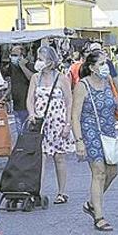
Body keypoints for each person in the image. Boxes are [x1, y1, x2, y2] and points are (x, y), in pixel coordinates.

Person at [72, 51, 118, 232]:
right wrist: (79, 141)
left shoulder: (107, 82)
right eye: (101, 63)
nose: (105, 66)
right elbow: (75, 116)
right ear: (92, 68)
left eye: (106, 63)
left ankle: (92, 203)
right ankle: (99, 217)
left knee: (113, 172)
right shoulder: (83, 86)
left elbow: (112, 102)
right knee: (99, 172)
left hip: (108, 131)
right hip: (90, 132)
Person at [26, 45, 75, 204]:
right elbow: (30, 98)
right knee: (40, 158)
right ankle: (37, 191)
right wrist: (31, 113)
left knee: (59, 157)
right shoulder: (35, 78)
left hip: (58, 122)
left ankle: (62, 192)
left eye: (41, 59)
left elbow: (69, 102)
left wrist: (68, 124)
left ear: (50, 61)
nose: (37, 62)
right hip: (40, 123)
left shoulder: (62, 78)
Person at [4, 44, 34, 133]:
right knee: (18, 130)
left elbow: (32, 79)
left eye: (15, 55)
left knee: (26, 130)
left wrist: (23, 66)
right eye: (12, 54)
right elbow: (12, 84)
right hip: (16, 104)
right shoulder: (11, 67)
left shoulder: (29, 66)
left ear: (22, 56)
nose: (12, 57)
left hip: (26, 104)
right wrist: (5, 96)